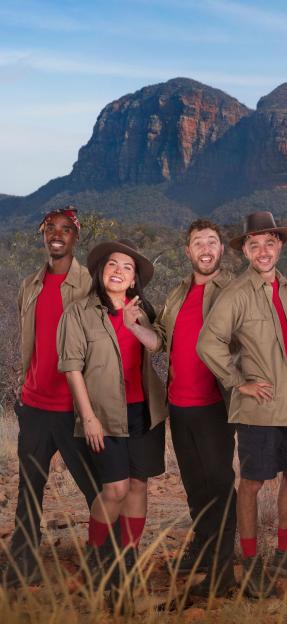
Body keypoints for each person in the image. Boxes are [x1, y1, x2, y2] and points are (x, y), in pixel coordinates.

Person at [197, 211, 287, 598]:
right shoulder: (236, 293)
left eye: (269, 243)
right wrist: (238, 382)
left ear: (280, 246)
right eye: (254, 244)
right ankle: (248, 559)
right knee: (252, 483)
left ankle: (284, 549)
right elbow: (208, 343)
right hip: (260, 407)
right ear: (245, 250)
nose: (263, 250)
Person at [57, 239, 167, 589]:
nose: (119, 272)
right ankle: (97, 553)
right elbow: (72, 367)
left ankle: (128, 560)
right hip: (104, 415)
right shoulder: (79, 312)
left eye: (127, 267)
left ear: (134, 279)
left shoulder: (142, 311)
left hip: (145, 412)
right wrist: (87, 416)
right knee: (115, 488)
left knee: (138, 485)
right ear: (101, 272)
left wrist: (136, 324)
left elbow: (157, 345)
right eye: (112, 265)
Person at [1, 207, 99, 587]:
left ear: (76, 237)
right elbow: (32, 342)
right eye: (51, 229)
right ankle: (23, 566)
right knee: (29, 489)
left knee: (97, 490)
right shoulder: (30, 284)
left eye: (65, 230)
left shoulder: (89, 284)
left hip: (75, 409)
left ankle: (103, 560)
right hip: (35, 406)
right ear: (43, 235)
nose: (57, 235)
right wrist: (25, 390)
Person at [154, 219, 236, 596]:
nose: (205, 248)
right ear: (187, 251)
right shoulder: (177, 292)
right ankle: (204, 548)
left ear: (221, 250)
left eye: (212, 242)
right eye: (198, 242)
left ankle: (222, 571)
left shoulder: (233, 290)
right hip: (179, 404)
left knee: (219, 484)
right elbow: (161, 338)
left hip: (214, 404)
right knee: (194, 485)